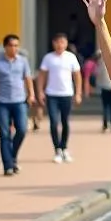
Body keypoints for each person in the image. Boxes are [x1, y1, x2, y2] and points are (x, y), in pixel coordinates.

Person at [0, 35, 35, 176]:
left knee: (21, 130)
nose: (14, 48)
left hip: (19, 101)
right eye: (11, 45)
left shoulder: (23, 61)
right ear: (5, 47)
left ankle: (12, 156)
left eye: (16, 45)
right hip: (1, 102)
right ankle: (8, 165)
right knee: (4, 134)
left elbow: (27, 78)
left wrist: (31, 94)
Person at [37, 33, 83, 162]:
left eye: (62, 42)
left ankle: (64, 148)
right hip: (52, 94)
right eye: (57, 42)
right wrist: (40, 91)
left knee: (65, 122)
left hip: (66, 94)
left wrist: (78, 93)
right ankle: (57, 149)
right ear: (53, 43)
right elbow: (42, 76)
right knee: (53, 122)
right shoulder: (48, 58)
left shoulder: (71, 57)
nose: (59, 45)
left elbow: (77, 76)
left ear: (66, 43)